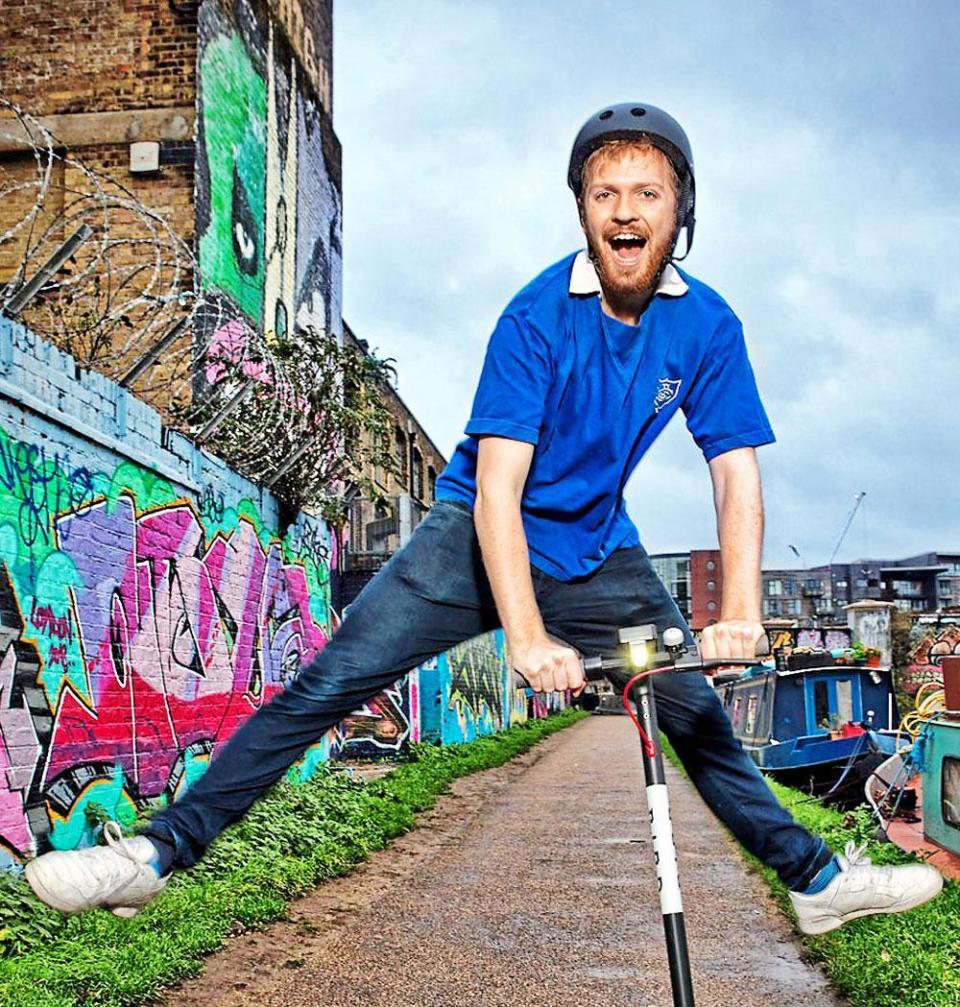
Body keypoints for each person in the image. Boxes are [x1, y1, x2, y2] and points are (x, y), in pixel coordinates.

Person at [25, 102, 942, 935]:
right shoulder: (534, 318)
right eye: (604, 192)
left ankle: (816, 879)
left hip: (598, 549)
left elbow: (735, 474)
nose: (625, 211)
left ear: (679, 210)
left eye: (647, 193)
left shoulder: (708, 327)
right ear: (582, 209)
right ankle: (153, 854)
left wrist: (740, 606)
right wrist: (527, 635)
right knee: (328, 682)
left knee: (698, 715)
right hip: (471, 535)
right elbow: (501, 490)